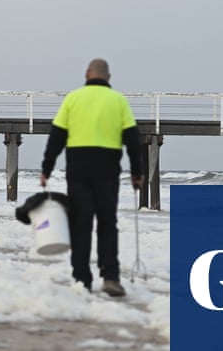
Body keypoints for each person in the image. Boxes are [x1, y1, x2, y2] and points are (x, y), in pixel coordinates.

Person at [40, 58, 144, 297]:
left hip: (78, 169)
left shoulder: (73, 99)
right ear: (108, 76)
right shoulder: (118, 101)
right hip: (107, 170)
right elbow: (133, 141)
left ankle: (81, 279)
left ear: (87, 74)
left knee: (81, 225)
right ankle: (110, 277)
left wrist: (47, 168)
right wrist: (137, 173)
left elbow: (56, 138)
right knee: (107, 224)